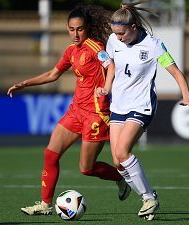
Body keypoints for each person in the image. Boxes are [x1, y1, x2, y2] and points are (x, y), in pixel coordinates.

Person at [7, 5, 131, 216]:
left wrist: (107, 88)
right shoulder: (71, 51)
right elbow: (53, 74)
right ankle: (45, 204)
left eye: (80, 29)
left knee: (86, 168)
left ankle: (121, 179)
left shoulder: (95, 47)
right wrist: (25, 83)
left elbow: (111, 65)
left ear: (88, 28)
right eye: (71, 29)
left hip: (96, 114)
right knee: (50, 154)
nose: (75, 34)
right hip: (76, 111)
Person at [96, 1, 189, 221]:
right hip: (118, 106)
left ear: (134, 27)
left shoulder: (154, 45)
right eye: (115, 33)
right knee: (117, 161)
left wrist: (186, 95)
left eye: (122, 33)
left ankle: (149, 197)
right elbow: (112, 66)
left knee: (123, 152)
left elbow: (176, 73)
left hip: (141, 106)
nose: (119, 37)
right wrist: (106, 88)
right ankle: (146, 198)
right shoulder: (113, 40)